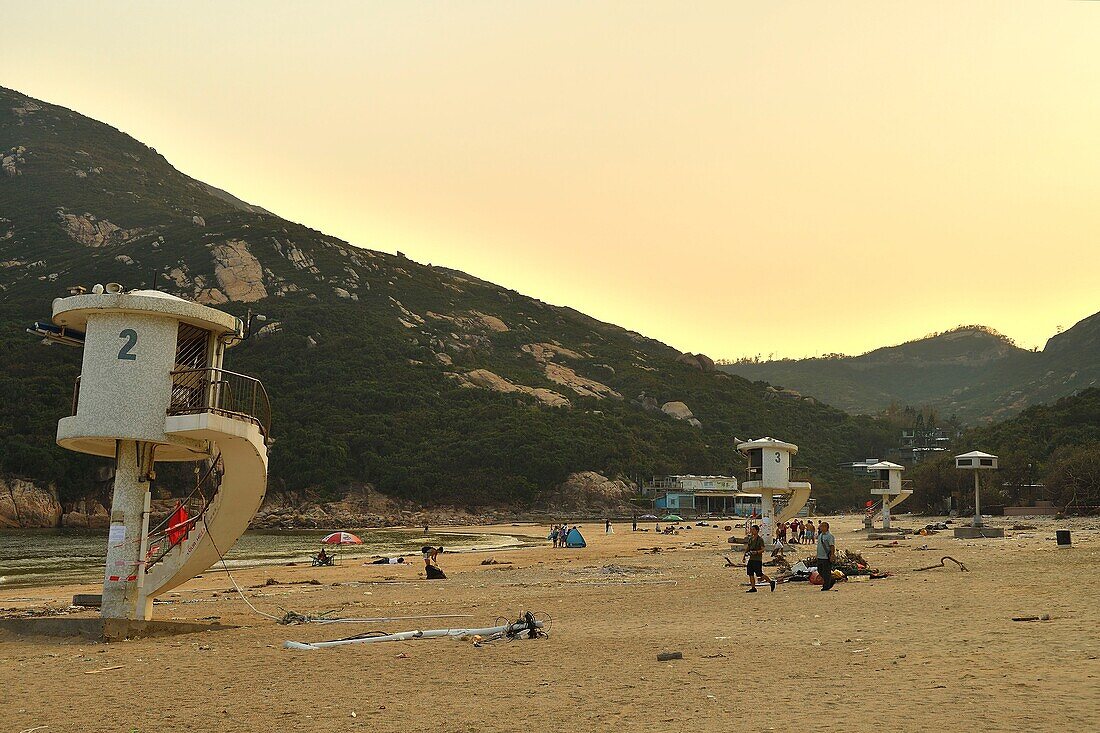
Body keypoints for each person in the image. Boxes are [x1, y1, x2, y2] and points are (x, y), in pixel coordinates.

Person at [744, 524, 776, 593]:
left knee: (759, 574)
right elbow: (748, 548)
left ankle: (771, 582)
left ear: (757, 531)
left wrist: (756, 552)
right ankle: (753, 588)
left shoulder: (760, 539)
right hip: (751, 559)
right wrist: (744, 556)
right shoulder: (750, 539)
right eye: (751, 529)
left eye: (753, 529)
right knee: (750, 573)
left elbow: (763, 549)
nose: (752, 531)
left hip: (757, 559)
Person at [816, 521, 836, 591]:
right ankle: (831, 580)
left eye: (822, 526)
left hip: (826, 557)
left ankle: (826, 586)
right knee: (820, 570)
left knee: (826, 572)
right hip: (820, 556)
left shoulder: (830, 536)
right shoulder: (820, 535)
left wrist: (832, 555)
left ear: (826, 527)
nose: (820, 527)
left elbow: (832, 546)